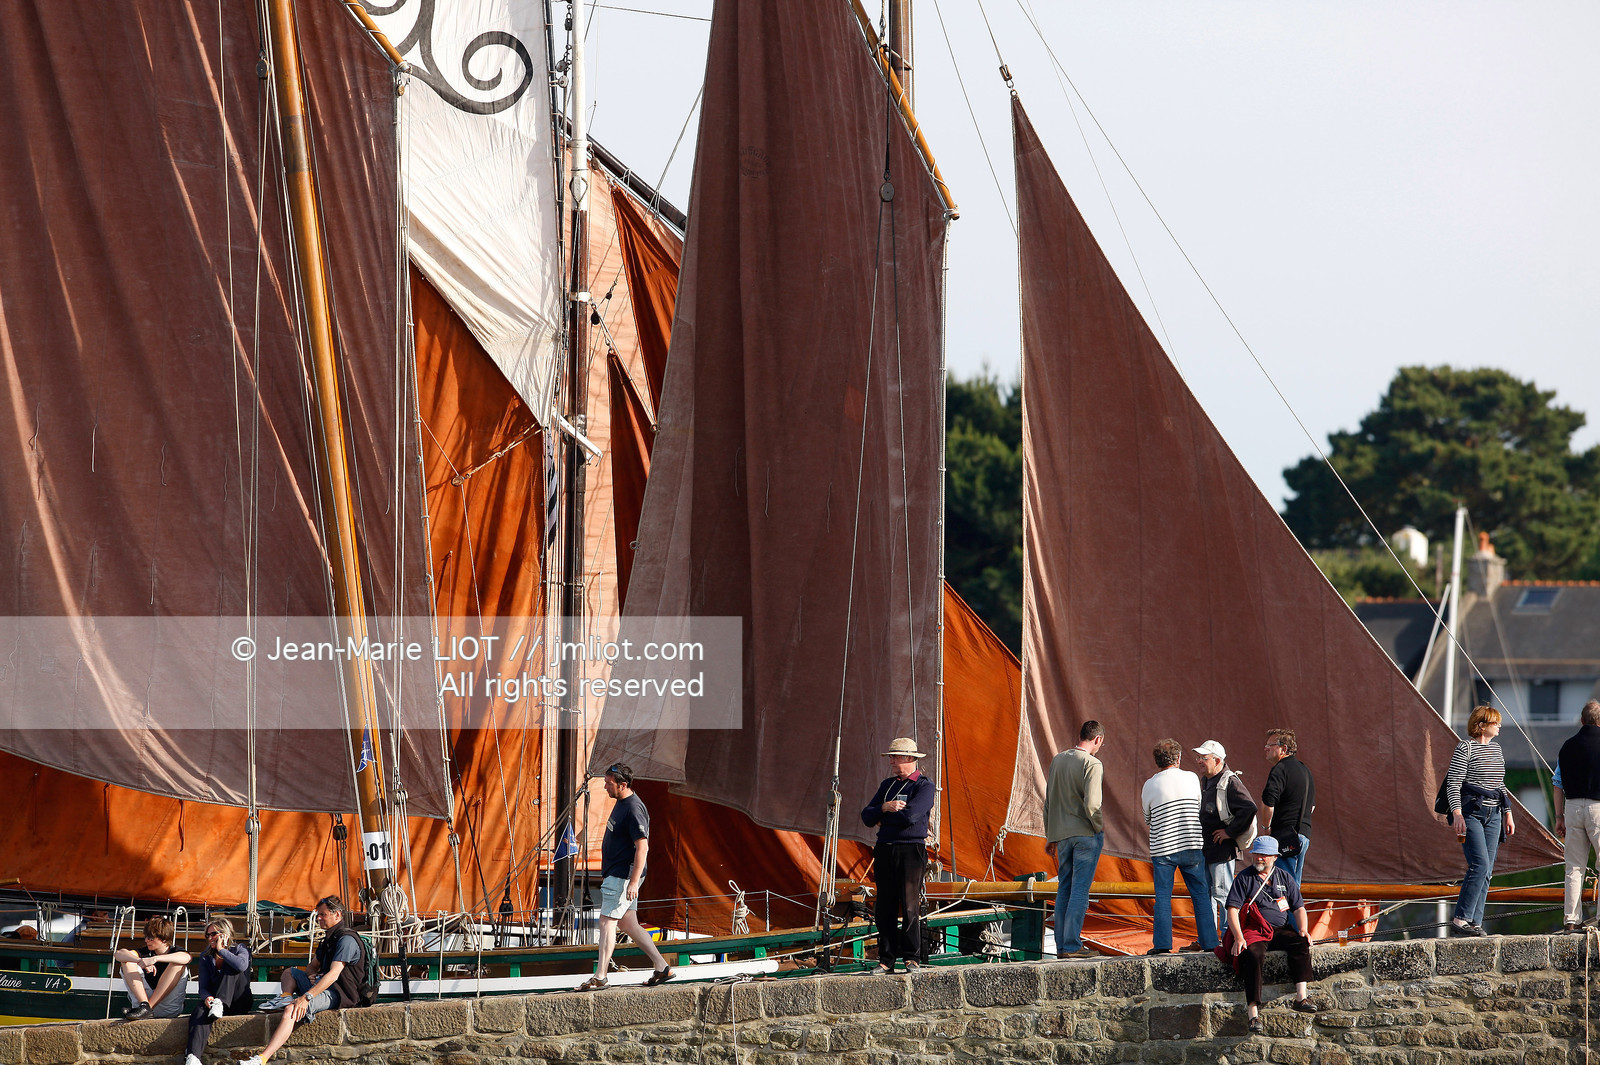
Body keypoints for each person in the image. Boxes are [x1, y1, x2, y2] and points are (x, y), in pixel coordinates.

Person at [575, 763, 674, 990]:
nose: (604, 786)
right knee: (629, 923)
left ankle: (600, 976)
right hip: (617, 874)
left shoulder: (633, 808)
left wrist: (633, 882)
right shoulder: (620, 802)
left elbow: (643, 847)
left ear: (623, 785)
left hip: (622, 876)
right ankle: (662, 967)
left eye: (609, 783)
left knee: (606, 921)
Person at [239, 897, 367, 1065]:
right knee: (289, 973)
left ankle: (262, 1059)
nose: (318, 918)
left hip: (340, 993)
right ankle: (285, 996)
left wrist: (306, 998)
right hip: (325, 985)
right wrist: (314, 976)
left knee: (292, 1009)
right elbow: (311, 967)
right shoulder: (329, 939)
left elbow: (334, 975)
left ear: (337, 915)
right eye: (318, 914)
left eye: (323, 915)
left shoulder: (346, 940)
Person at [1224, 837, 1318, 1033]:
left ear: (1274, 857)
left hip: (1279, 929)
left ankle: (1301, 997)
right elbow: (1232, 909)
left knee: (1300, 943)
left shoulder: (1284, 877)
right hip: (1255, 930)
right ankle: (1253, 1013)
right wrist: (1239, 937)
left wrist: (1303, 929)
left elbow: (1299, 907)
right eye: (1257, 854)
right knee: (1252, 954)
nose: (1259, 858)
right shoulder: (1244, 878)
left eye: (1264, 855)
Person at [861, 737, 937, 973]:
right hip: (884, 849)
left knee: (910, 905)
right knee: (885, 906)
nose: (891, 762)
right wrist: (884, 808)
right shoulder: (887, 786)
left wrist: (884, 819)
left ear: (909, 759)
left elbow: (910, 817)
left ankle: (912, 958)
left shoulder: (924, 786)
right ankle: (886, 960)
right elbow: (866, 816)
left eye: (894, 757)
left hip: (910, 850)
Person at [1141, 739, 1220, 955]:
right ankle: (1210, 942)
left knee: (1163, 897)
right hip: (1192, 845)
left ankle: (1162, 945)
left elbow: (1148, 818)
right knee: (1201, 895)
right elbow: (1198, 805)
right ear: (1178, 758)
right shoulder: (1192, 778)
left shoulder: (1149, 785)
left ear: (1157, 761)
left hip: (1163, 850)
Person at [1446, 705, 1515, 937]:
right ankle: (1460, 918)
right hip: (1471, 813)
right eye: (1495, 723)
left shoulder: (1497, 750)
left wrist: (1508, 812)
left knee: (1488, 870)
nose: (1499, 726)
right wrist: (1457, 813)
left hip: (1494, 814)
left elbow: (1500, 785)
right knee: (1479, 864)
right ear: (1482, 725)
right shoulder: (1465, 747)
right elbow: (1453, 783)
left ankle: (1475, 921)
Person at [1045, 721, 1106, 959]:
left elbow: (1048, 801)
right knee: (1080, 890)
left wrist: (1051, 836)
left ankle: (1062, 946)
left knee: (1064, 889)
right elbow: (1092, 803)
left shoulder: (1058, 760)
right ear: (1097, 739)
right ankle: (1072, 945)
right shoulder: (1092, 763)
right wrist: (1098, 828)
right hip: (1084, 834)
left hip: (1061, 836)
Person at [1194, 740, 1258, 929]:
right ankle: (1209, 938)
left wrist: (1229, 832)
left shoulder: (1229, 781)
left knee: (1223, 893)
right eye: (1198, 757)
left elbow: (1249, 808)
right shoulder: (1207, 779)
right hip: (1208, 847)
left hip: (1223, 849)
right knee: (1207, 893)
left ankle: (1227, 936)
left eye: (1203, 758)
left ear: (1217, 760)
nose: (1198, 761)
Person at [1555, 702, 1600, 931]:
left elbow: (1557, 784)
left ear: (1582, 721)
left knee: (1574, 867)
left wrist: (1558, 816)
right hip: (1598, 808)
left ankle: (1571, 920)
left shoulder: (1567, 746)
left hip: (1572, 807)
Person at [186, 917, 252, 1065]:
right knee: (199, 1010)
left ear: (224, 933)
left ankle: (219, 1003)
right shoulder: (205, 956)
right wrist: (207, 997)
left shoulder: (240, 949)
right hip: (215, 1005)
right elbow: (203, 987)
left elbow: (241, 966)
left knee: (232, 964)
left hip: (239, 1000)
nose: (210, 938)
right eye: (207, 935)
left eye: (213, 934)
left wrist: (222, 950)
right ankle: (193, 1057)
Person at [1260, 729, 1315, 884]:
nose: (1266, 748)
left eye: (1270, 745)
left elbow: (1268, 803)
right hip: (1303, 835)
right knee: (1293, 887)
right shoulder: (1305, 770)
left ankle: (1289, 910)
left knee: (1283, 886)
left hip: (1285, 836)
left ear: (1283, 749)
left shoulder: (1280, 769)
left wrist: (1266, 828)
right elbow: (1311, 807)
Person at [114, 915, 191, 1020]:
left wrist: (155, 959)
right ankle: (144, 1005)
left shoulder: (177, 951)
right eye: (145, 937)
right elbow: (119, 954)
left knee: (177, 964)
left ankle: (147, 1008)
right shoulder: (145, 952)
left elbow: (187, 958)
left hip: (168, 1007)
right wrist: (140, 961)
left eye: (150, 938)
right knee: (127, 961)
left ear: (163, 939)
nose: (146, 941)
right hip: (141, 1007)